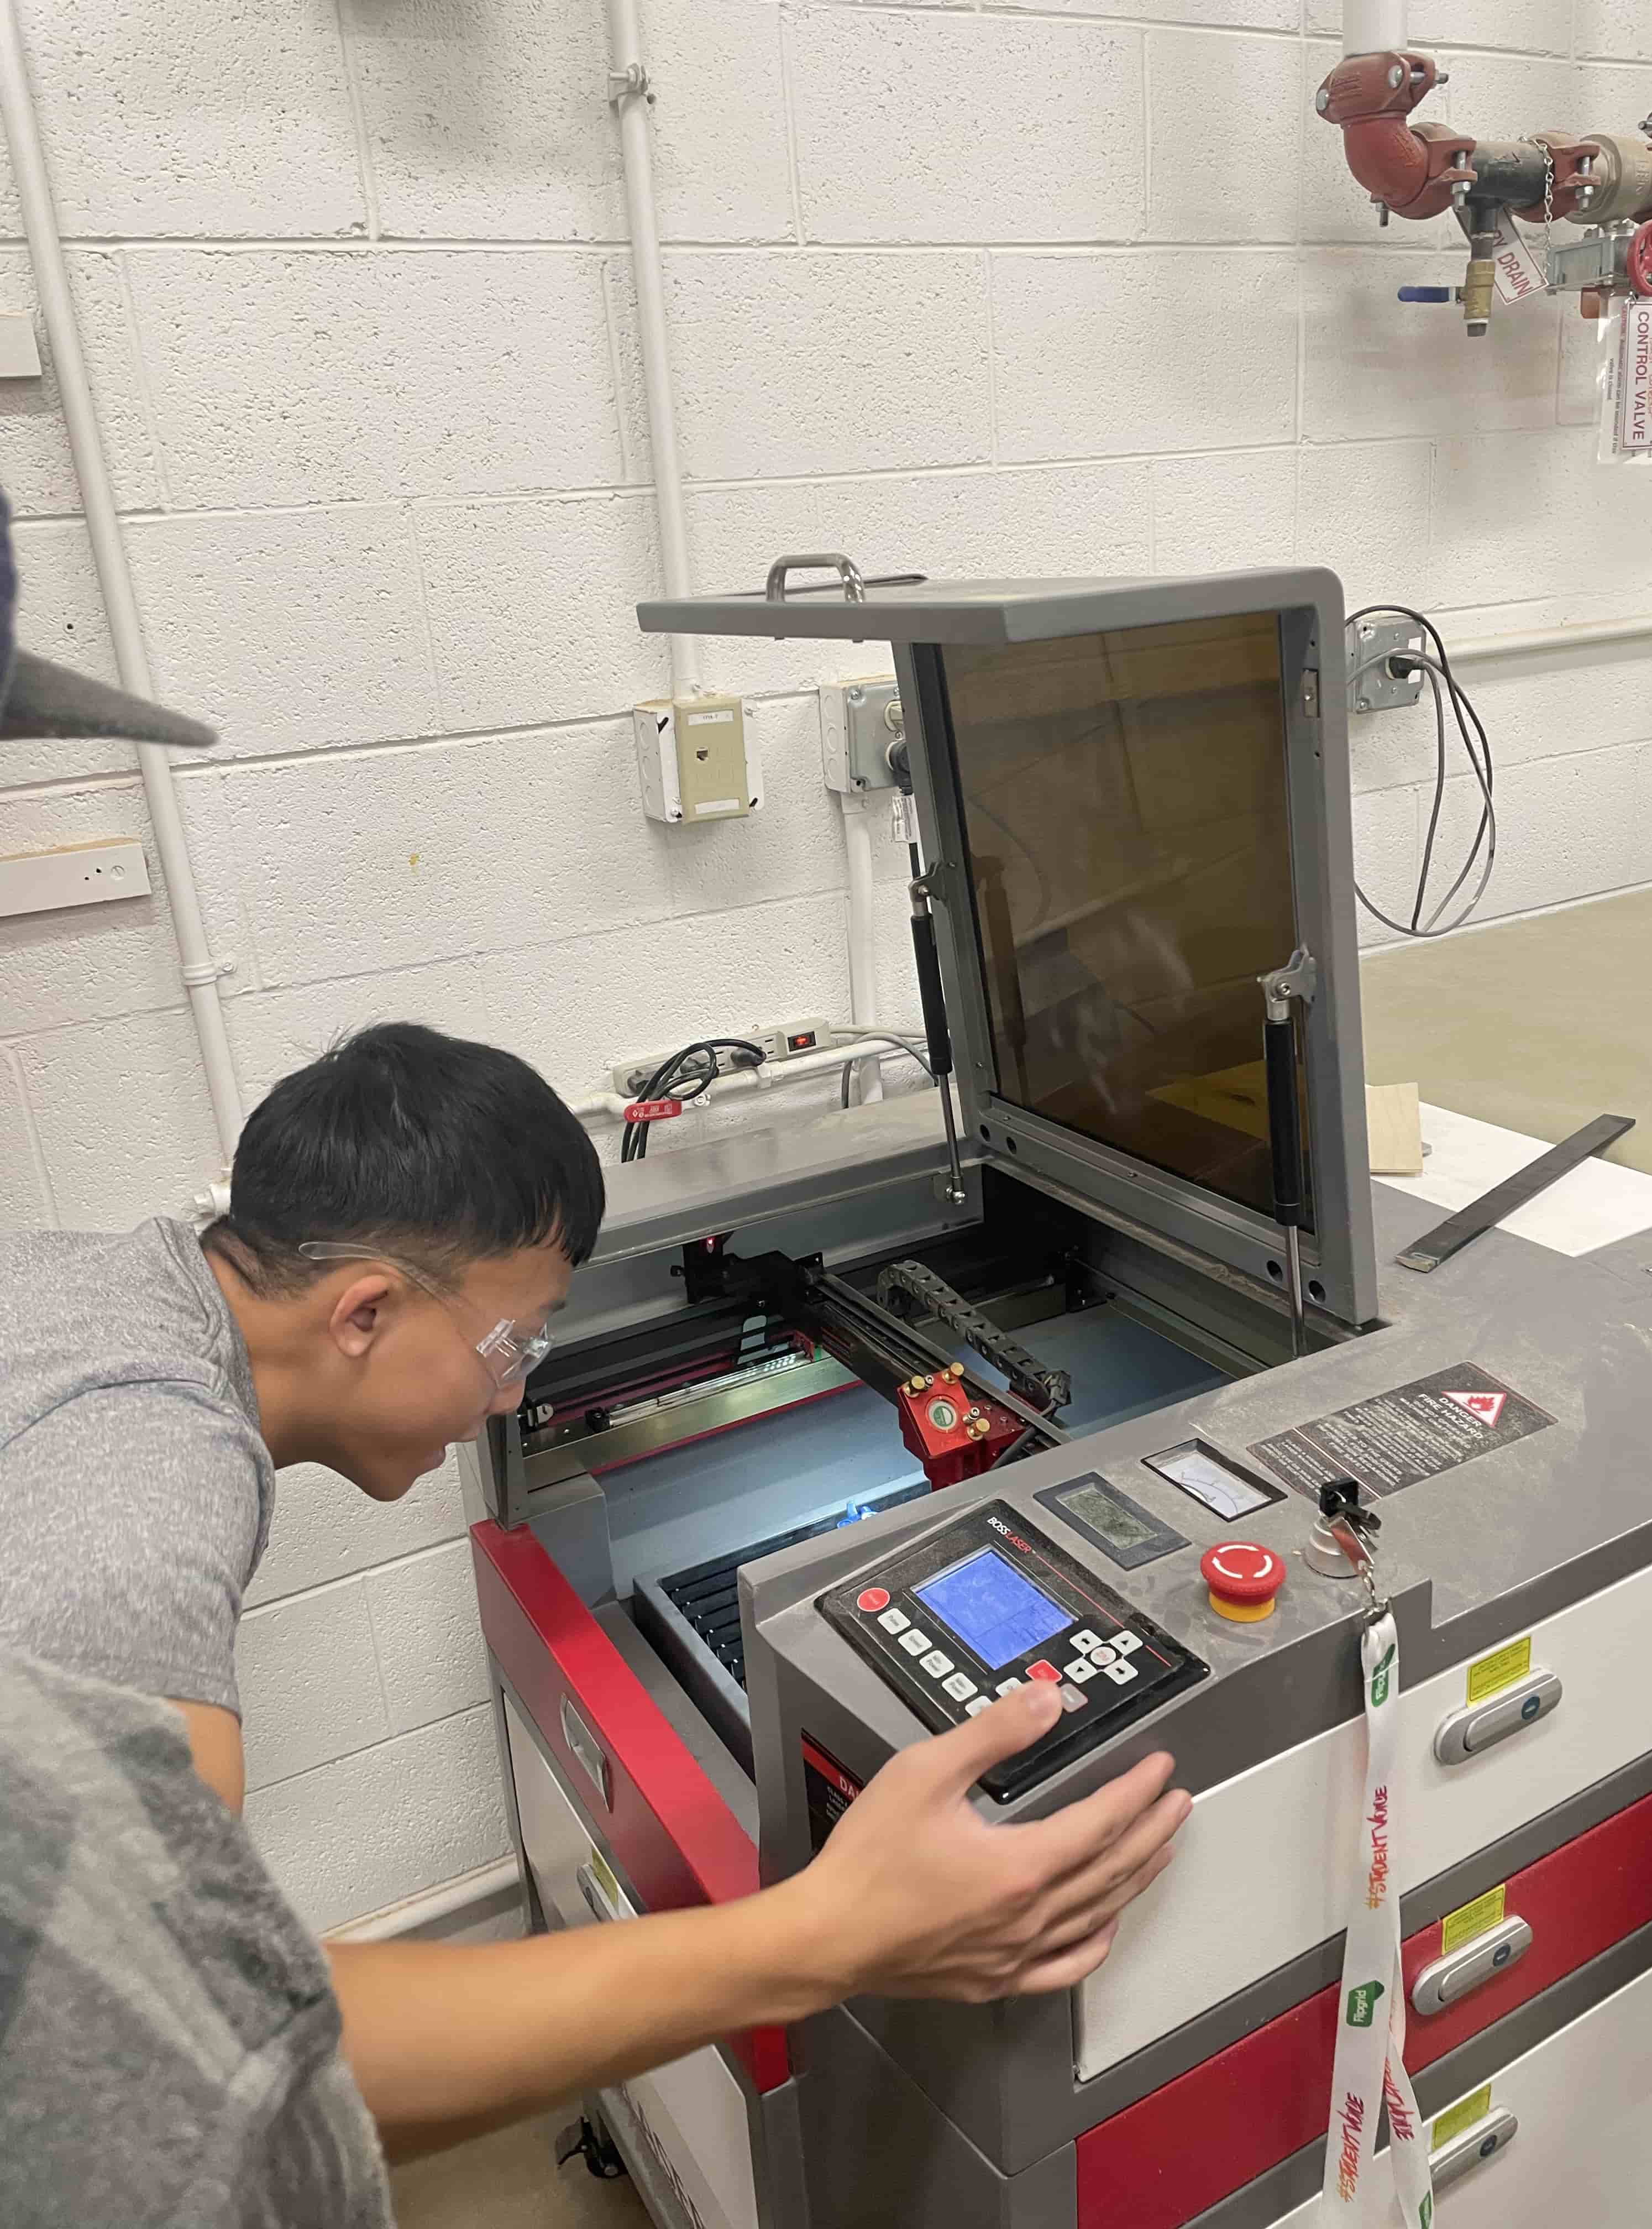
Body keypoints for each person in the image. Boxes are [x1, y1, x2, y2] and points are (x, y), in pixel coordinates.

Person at [0, 494, 1193, 2213]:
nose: (517, 1390)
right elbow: (212, 2060)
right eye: (514, 1339)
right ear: (359, 1311)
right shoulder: (136, 1506)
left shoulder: (88, 1289)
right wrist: (821, 1935)